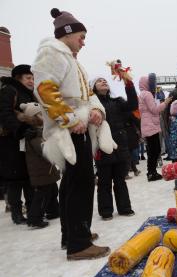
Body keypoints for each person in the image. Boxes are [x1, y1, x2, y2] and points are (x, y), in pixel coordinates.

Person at [32, 8, 111, 260]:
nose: (84, 42)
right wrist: (69, 119)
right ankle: (79, 244)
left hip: (76, 126)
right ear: (67, 33)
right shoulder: (52, 53)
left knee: (71, 183)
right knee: (82, 183)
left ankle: (74, 233)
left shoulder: (70, 58)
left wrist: (96, 111)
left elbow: (85, 96)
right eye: (81, 36)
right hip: (69, 130)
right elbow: (45, 90)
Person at [90, 76, 137, 220]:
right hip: (102, 147)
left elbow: (133, 104)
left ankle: (124, 208)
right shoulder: (92, 105)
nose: (103, 82)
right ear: (93, 87)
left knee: (120, 179)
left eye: (105, 80)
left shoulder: (116, 102)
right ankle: (106, 211)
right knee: (104, 181)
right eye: (99, 81)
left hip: (120, 146)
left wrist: (128, 83)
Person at [0, 64, 37, 225]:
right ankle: (16, 212)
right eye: (28, 78)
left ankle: (32, 210)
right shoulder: (9, 90)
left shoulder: (30, 94)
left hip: (27, 141)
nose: (31, 81)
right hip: (10, 141)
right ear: (18, 78)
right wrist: (20, 130)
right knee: (15, 179)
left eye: (33, 78)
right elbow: (4, 114)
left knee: (29, 177)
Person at [20, 102, 60, 228]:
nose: (44, 118)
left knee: (53, 190)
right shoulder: (33, 134)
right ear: (34, 118)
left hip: (47, 169)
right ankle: (34, 219)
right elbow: (43, 150)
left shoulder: (41, 131)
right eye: (41, 115)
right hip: (40, 170)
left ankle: (53, 211)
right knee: (43, 194)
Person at [138, 73, 172, 181]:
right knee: (155, 150)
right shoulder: (147, 94)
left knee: (152, 150)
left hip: (147, 124)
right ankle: (151, 173)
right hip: (151, 125)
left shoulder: (141, 94)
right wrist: (165, 103)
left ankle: (151, 172)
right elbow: (154, 109)